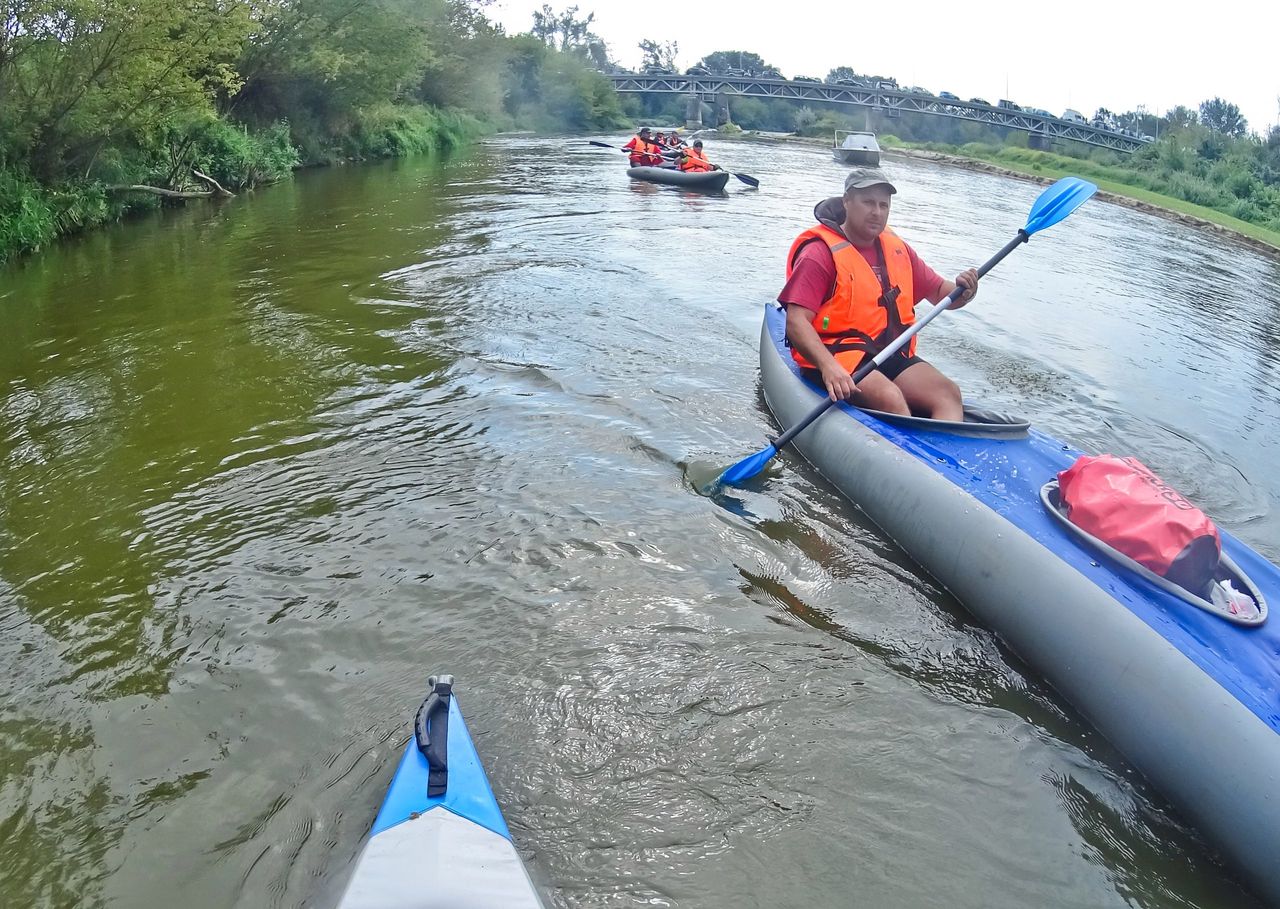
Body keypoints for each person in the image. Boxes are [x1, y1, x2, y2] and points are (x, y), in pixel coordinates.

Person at [778, 167, 978, 421]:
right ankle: (901, 443)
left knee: (948, 393)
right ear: (847, 202)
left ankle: (940, 445)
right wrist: (829, 367)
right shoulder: (819, 253)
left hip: (886, 352)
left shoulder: (897, 249)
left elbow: (941, 293)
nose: (877, 212)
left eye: (884, 205)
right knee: (890, 398)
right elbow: (796, 322)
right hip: (835, 353)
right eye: (868, 202)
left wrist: (966, 291)